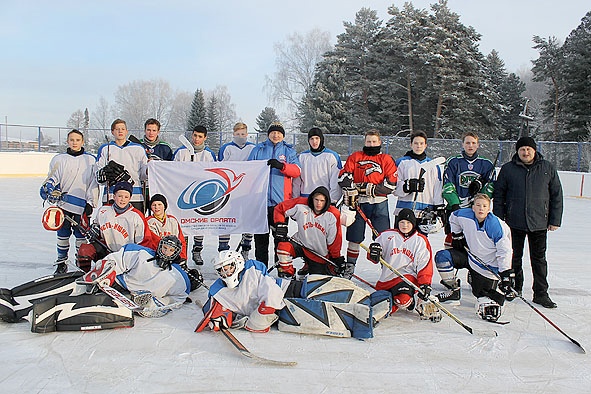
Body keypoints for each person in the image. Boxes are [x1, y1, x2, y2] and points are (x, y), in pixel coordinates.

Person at [195, 251, 392, 338]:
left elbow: (270, 297)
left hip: (296, 289)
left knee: (341, 289)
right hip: (291, 309)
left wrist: (254, 321)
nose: (225, 273)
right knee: (331, 315)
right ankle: (366, 317)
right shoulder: (220, 291)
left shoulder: (252, 272)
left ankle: (376, 300)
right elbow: (214, 311)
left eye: (228, 268)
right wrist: (221, 319)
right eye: (221, 270)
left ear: (237, 263)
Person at [493, 136, 563, 309]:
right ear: (517, 151)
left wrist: (554, 220)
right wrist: (499, 219)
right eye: (522, 149)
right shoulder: (508, 169)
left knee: (539, 260)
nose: (525, 152)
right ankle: (515, 287)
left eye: (528, 149)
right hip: (513, 222)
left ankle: (541, 293)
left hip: (539, 222)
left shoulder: (546, 167)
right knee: (513, 257)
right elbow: (499, 194)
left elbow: (556, 195)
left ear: (534, 150)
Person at [434, 194, 515, 322]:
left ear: (489, 209)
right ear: (473, 207)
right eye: (478, 205)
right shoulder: (465, 215)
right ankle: (453, 290)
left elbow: (504, 251)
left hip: (487, 268)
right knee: (442, 257)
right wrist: (457, 234)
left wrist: (505, 273)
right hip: (470, 257)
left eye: (484, 206)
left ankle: (477, 281)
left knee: (481, 295)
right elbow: (453, 217)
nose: (481, 209)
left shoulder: (496, 226)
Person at [79, 235, 195, 317]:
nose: (166, 252)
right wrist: (107, 274)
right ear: (160, 246)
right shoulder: (141, 253)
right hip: (118, 286)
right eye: (164, 248)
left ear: (176, 253)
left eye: (170, 250)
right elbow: (117, 259)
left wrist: (154, 304)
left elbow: (179, 297)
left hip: (140, 298)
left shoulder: (178, 277)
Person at [338, 129, 397, 278]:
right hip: (358, 204)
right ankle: (350, 267)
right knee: (354, 238)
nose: (371, 144)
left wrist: (367, 188)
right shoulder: (356, 157)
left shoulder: (386, 159)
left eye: (374, 141)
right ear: (365, 142)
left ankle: (386, 270)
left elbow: (391, 185)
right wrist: (352, 188)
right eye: (369, 141)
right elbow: (343, 176)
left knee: (383, 238)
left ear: (379, 142)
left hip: (379, 204)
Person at [39, 129, 99, 274]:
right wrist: (49, 188)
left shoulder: (90, 160)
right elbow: (53, 177)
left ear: (83, 142)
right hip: (63, 205)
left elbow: (93, 183)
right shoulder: (59, 159)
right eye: (72, 140)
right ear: (67, 141)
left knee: (81, 237)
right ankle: (61, 262)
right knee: (63, 235)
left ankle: (81, 263)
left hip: (82, 206)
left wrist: (91, 203)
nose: (74, 142)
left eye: (77, 140)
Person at [366, 208, 440, 322]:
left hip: (408, 278)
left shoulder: (420, 241)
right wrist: (373, 253)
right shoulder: (387, 235)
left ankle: (397, 305)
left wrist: (425, 284)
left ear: (413, 224)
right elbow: (373, 256)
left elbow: (424, 265)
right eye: (402, 222)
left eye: (408, 223)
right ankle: (389, 303)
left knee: (402, 300)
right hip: (387, 279)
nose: (405, 225)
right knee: (379, 300)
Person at [247, 122, 301, 267]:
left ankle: (281, 269)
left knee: (280, 240)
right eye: (273, 132)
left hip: (280, 204)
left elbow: (297, 170)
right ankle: (261, 269)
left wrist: (282, 166)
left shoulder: (289, 151)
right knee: (261, 240)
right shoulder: (259, 149)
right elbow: (248, 170)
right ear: (268, 134)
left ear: (283, 135)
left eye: (279, 133)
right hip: (261, 203)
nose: (275, 135)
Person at [76, 181, 155, 272]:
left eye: (126, 197)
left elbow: (144, 242)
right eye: (120, 196)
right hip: (106, 251)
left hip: (126, 256)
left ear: (130, 198)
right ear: (114, 196)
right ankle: (85, 274)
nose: (122, 199)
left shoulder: (136, 216)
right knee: (85, 250)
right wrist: (94, 230)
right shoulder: (104, 210)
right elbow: (96, 224)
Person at [273, 186, 345, 278]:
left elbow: (334, 240)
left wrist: (336, 257)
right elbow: (280, 208)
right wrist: (280, 224)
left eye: (322, 201)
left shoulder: (332, 215)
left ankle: (310, 265)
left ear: (327, 201)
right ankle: (289, 276)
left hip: (318, 253)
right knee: (283, 248)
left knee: (316, 280)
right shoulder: (301, 205)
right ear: (312, 198)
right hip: (300, 243)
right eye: (316, 199)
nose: (318, 203)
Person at [173, 125, 217, 266]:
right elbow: (171, 170)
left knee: (199, 223)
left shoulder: (209, 154)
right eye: (195, 135)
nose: (196, 139)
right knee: (183, 223)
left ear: (205, 137)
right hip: (182, 193)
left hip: (201, 194)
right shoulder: (181, 152)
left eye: (200, 136)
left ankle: (197, 250)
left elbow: (213, 173)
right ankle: (182, 251)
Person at [442, 131, 496, 245]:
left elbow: (490, 187)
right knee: (454, 243)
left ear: (478, 145)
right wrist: (455, 204)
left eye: (473, 143)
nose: (470, 146)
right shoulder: (453, 162)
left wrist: (478, 200)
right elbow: (447, 185)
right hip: (456, 209)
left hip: (476, 211)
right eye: (467, 143)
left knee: (475, 243)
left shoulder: (486, 164)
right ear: (462, 144)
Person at [217, 122, 256, 259]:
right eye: (238, 134)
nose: (240, 136)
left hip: (247, 190)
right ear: (233, 134)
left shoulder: (253, 148)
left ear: (247, 134)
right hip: (230, 190)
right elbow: (220, 168)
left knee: (248, 219)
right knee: (226, 218)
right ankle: (223, 249)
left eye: (243, 134)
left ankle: (246, 248)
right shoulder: (226, 148)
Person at [394, 131, 444, 235]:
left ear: (426, 145)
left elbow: (437, 188)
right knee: (400, 242)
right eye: (416, 143)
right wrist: (406, 187)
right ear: (411, 144)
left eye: (421, 143)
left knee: (421, 243)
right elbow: (394, 187)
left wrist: (439, 207)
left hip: (424, 212)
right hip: (404, 211)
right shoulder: (402, 162)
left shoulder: (433, 166)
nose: (418, 146)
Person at [96, 119, 148, 211]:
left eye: (123, 129)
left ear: (126, 131)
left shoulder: (138, 148)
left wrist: (148, 169)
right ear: (112, 132)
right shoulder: (105, 148)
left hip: (135, 196)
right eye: (117, 129)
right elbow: (98, 174)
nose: (120, 131)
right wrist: (103, 175)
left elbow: (143, 174)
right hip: (112, 195)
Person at [293, 127, 342, 204]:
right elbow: (296, 181)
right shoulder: (302, 156)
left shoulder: (331, 156)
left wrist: (333, 200)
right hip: (305, 198)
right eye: (311, 139)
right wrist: (295, 199)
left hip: (323, 200)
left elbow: (335, 181)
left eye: (317, 138)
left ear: (321, 139)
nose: (314, 141)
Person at [146, 193, 188, 263]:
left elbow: (181, 240)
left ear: (164, 206)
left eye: (159, 204)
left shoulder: (172, 220)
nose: (156, 207)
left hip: (174, 255)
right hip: (157, 257)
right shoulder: (148, 222)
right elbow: (153, 242)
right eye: (154, 205)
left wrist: (182, 257)